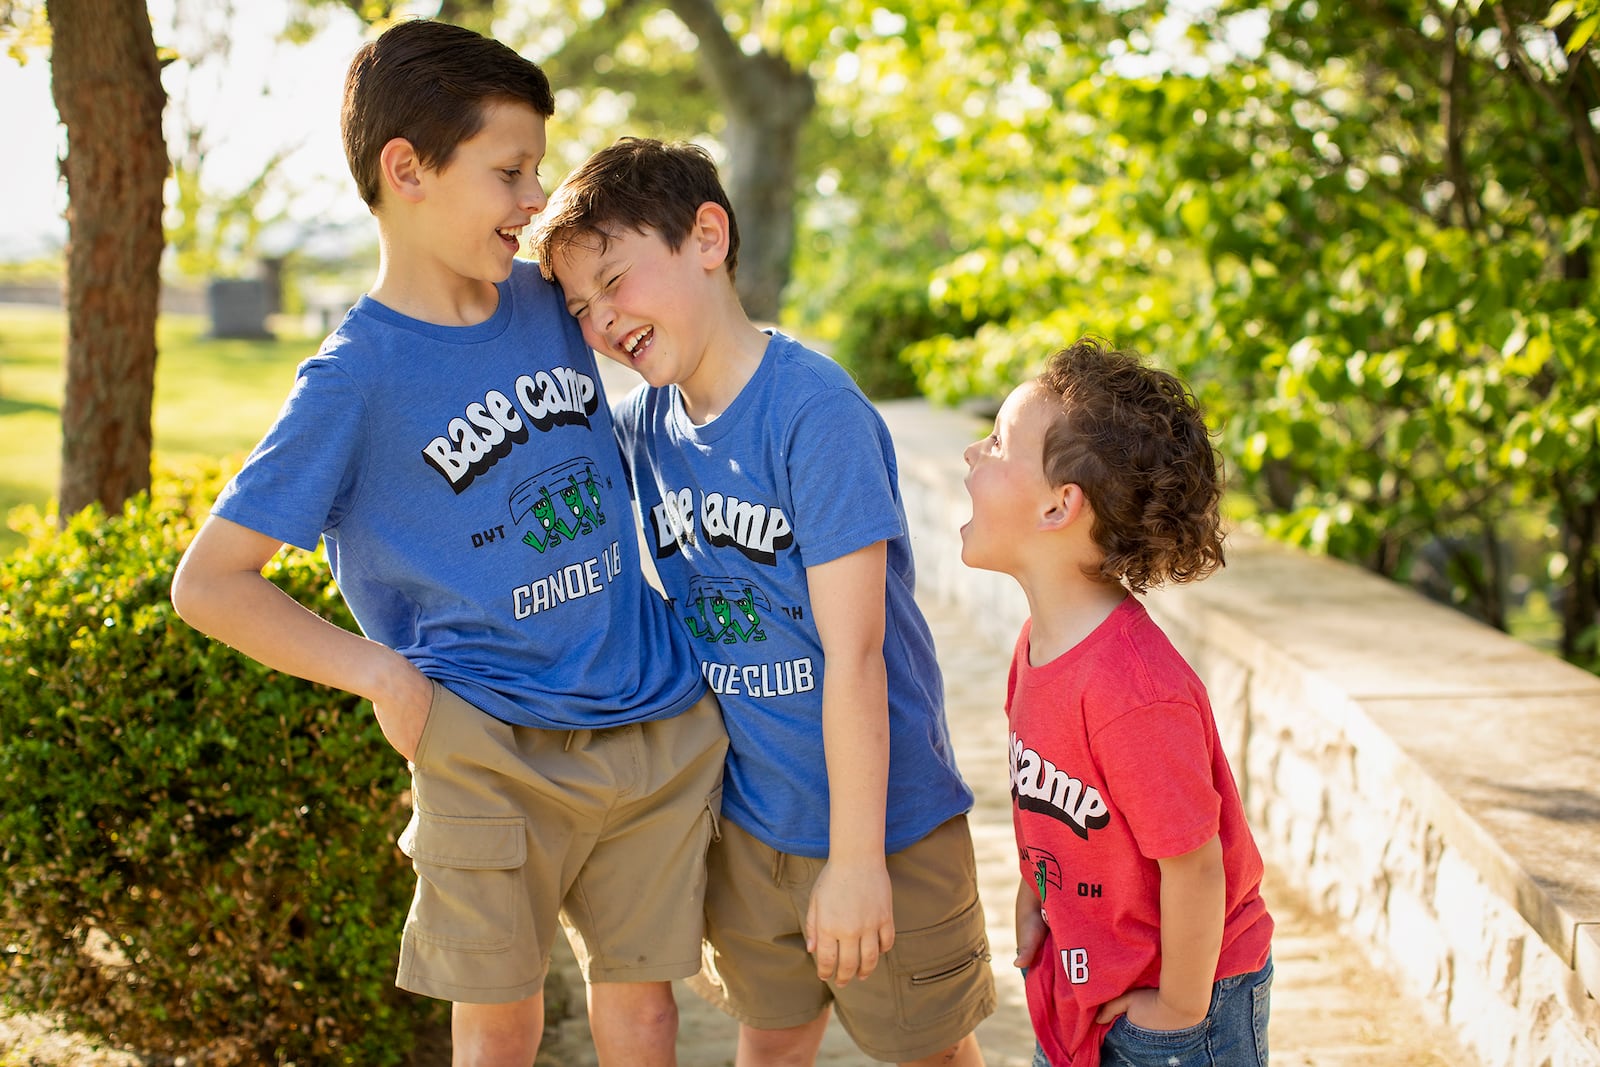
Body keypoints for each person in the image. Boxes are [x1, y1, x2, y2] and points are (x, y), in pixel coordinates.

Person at [169, 22, 727, 1067]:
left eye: (536, 171)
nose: (533, 198)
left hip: (645, 714)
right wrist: (383, 676)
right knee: (501, 1022)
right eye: (510, 171)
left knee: (647, 1012)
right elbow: (211, 582)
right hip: (488, 745)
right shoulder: (353, 378)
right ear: (407, 169)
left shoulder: (547, 301)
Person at [530, 136, 996, 1067]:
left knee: (929, 1053)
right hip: (751, 822)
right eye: (580, 306)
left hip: (885, 824)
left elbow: (855, 655)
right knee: (773, 1041)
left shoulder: (811, 412)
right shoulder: (643, 430)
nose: (602, 320)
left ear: (708, 235)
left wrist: (858, 863)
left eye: (617, 278)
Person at [958, 337, 1275, 1067]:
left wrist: (1177, 1012)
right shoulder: (1036, 644)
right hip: (1086, 981)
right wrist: (1041, 899)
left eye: (999, 443)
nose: (973, 453)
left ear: (1057, 507)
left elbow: (1195, 867)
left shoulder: (1133, 691)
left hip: (1182, 1005)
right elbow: (1053, 800)